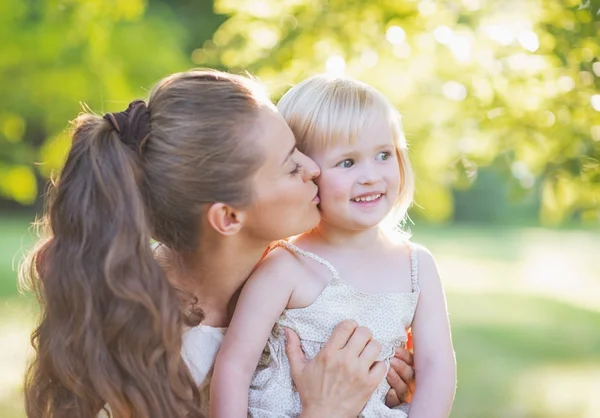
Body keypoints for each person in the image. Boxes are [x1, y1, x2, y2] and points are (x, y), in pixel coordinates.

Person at [20, 69, 415, 418]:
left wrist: (374, 380)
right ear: (228, 217)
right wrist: (325, 410)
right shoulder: (153, 357)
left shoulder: (293, 283)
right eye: (291, 164)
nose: (314, 168)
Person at [211, 75, 456, 417]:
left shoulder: (417, 266)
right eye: (347, 162)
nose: (370, 175)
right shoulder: (286, 266)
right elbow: (234, 366)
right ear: (308, 172)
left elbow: (436, 366)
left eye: (384, 154)